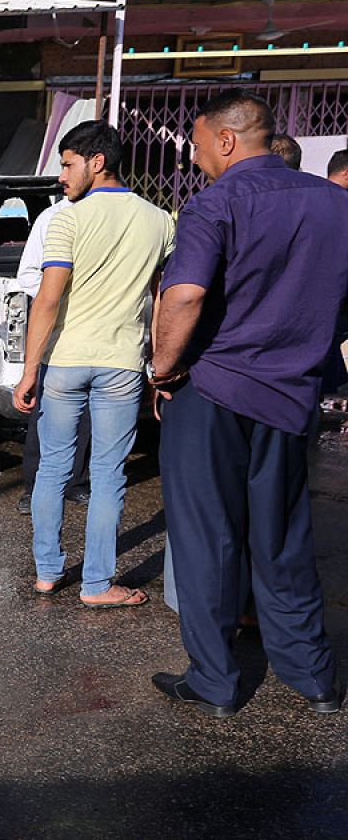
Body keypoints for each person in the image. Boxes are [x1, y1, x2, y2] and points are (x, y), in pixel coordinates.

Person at [149, 90, 348, 718]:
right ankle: (313, 676)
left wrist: (162, 369)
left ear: (227, 139)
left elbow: (183, 298)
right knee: (285, 535)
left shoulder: (217, 203)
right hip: (292, 393)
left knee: (208, 539)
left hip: (212, 389)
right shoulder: (336, 205)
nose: (196, 155)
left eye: (200, 143)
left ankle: (215, 681)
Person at [13, 121, 173, 608]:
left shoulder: (67, 219)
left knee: (54, 470)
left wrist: (28, 370)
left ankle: (47, 572)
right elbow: (162, 299)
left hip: (65, 362)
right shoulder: (161, 220)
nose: (61, 175)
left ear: (96, 161)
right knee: (108, 474)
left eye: (67, 164)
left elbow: (47, 299)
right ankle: (98, 585)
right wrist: (161, 367)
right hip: (122, 364)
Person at [13, 196, 89, 515]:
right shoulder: (53, 216)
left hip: (93, 329)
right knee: (44, 410)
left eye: (69, 166)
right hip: (55, 327)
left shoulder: (116, 215)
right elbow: (28, 274)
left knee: (86, 412)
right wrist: (56, 294)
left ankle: (78, 482)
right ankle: (34, 486)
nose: (62, 177)